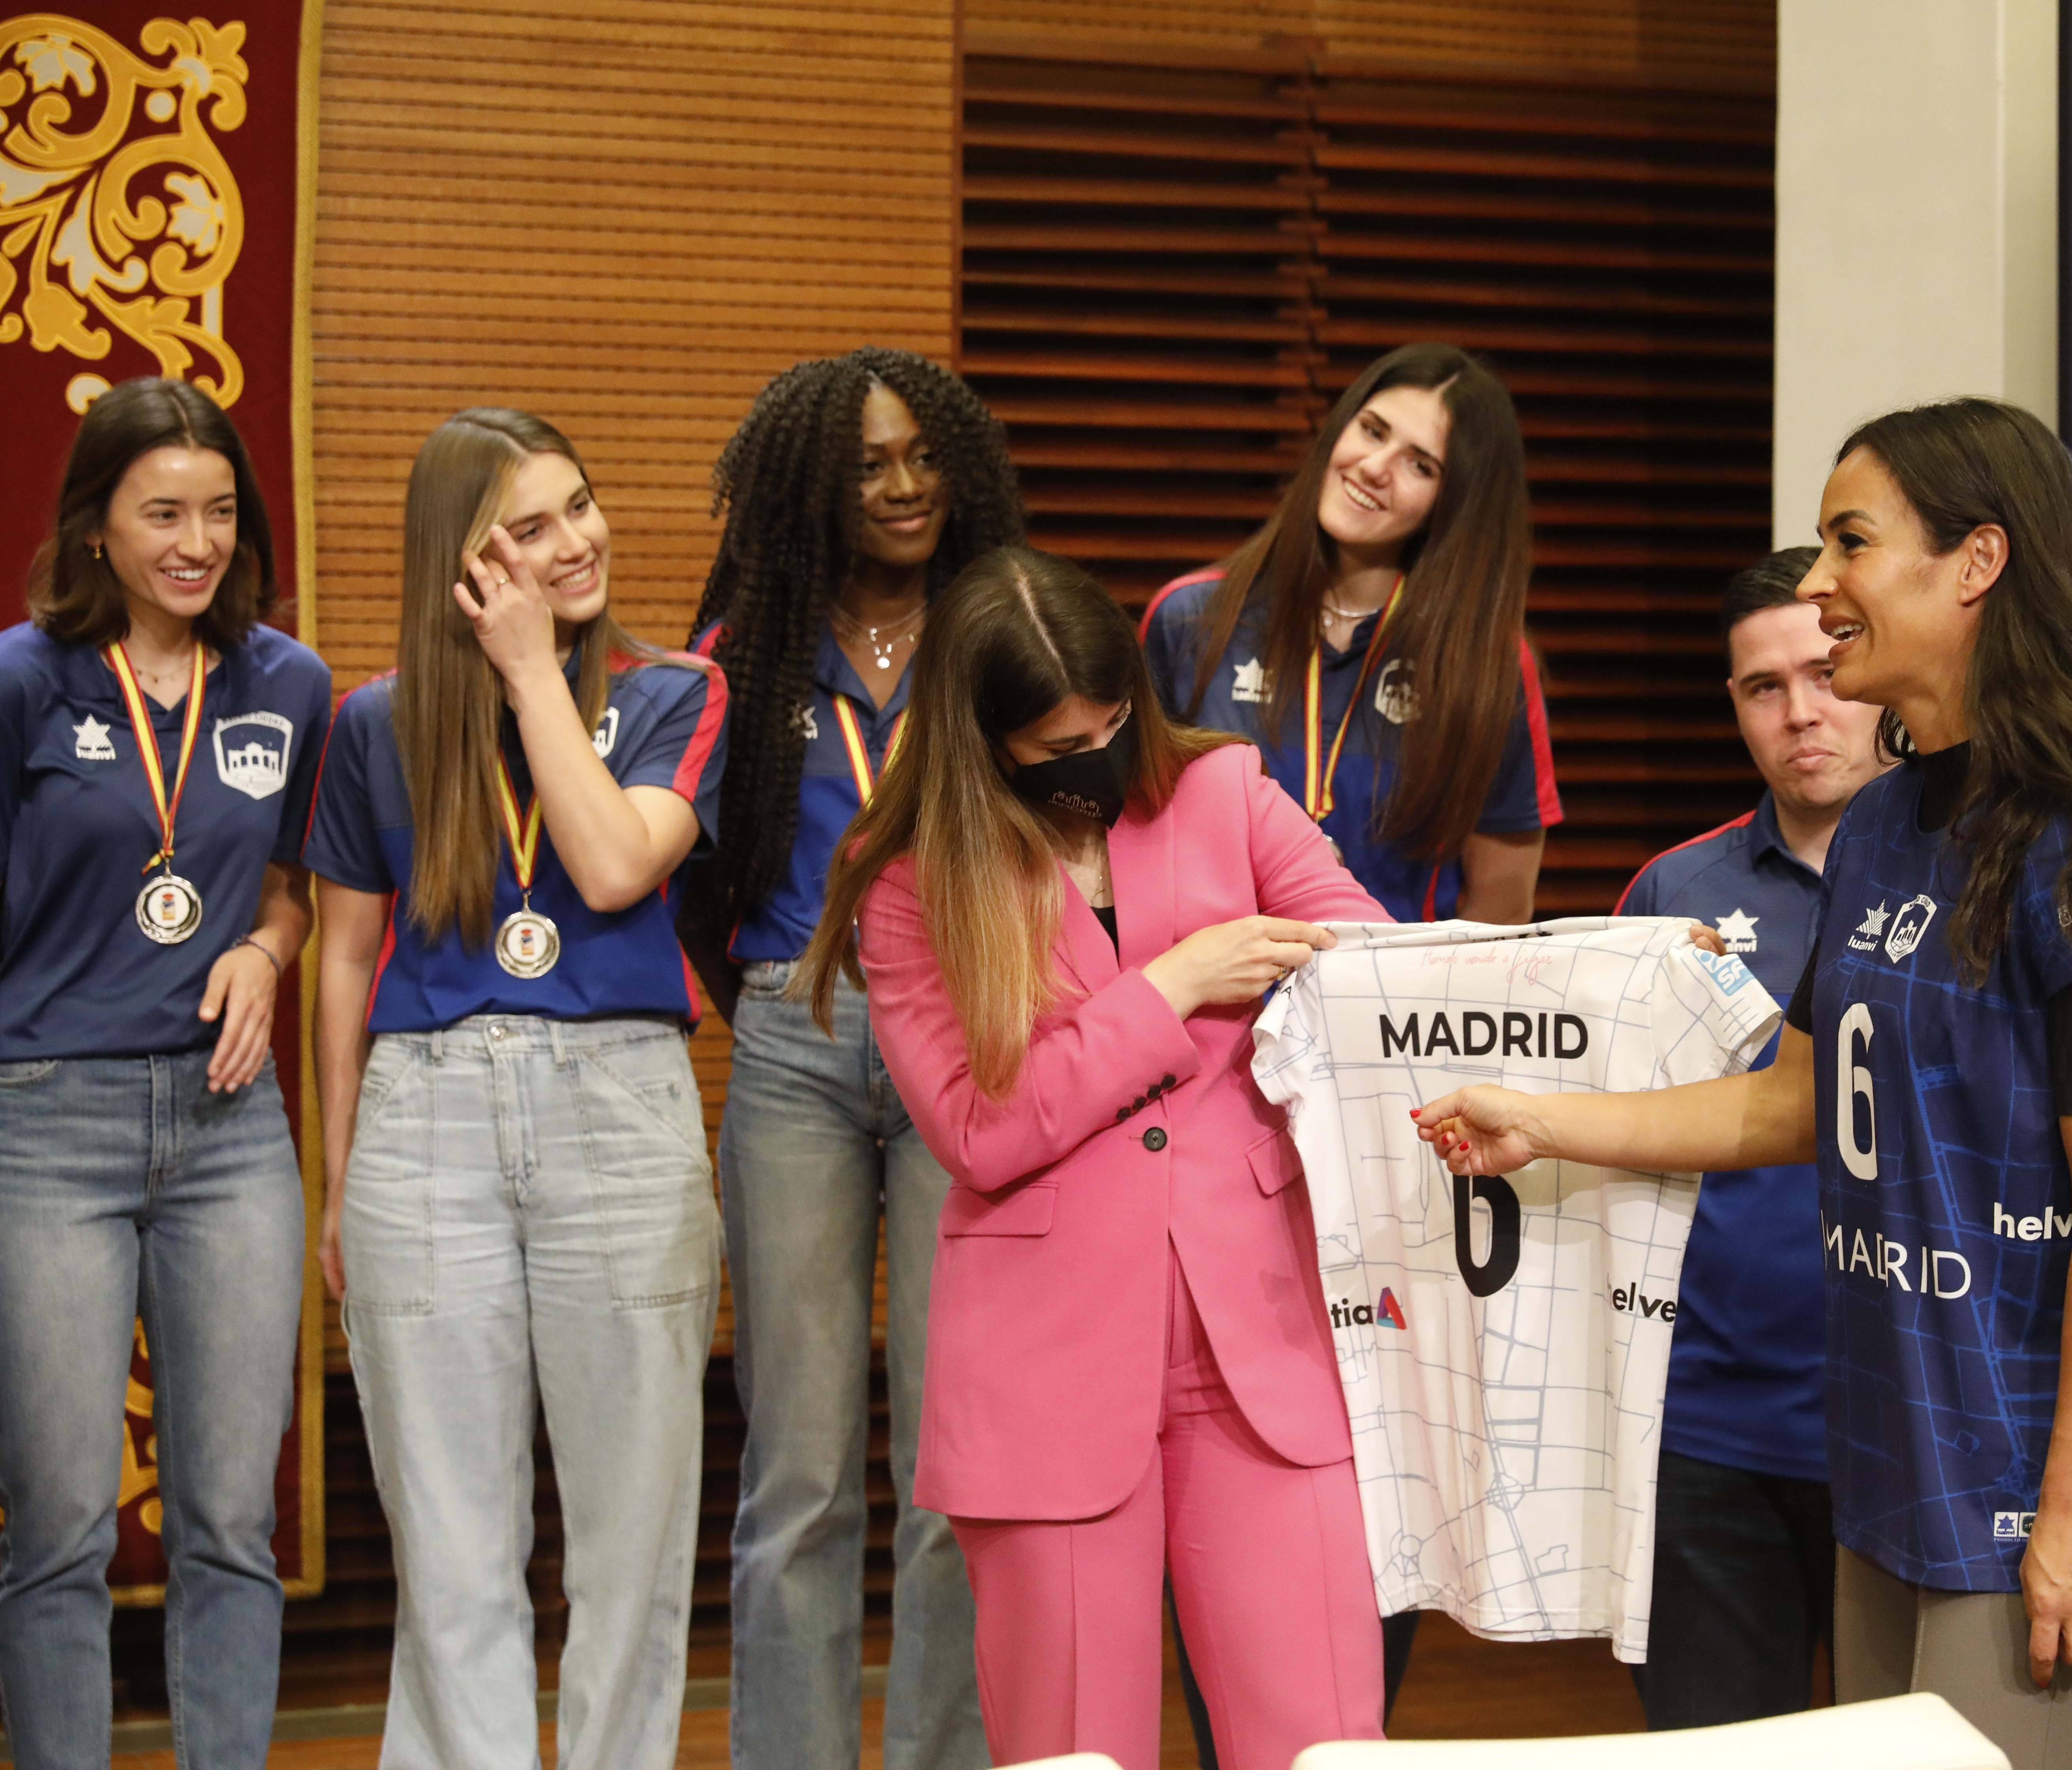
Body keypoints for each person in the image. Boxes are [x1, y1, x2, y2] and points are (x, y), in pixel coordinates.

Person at [1416, 399, 2072, 1770]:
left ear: (1978, 563)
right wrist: (1543, 1121)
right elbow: (1795, 1100)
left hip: (2024, 1471)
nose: (1823, 584)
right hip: (1887, 1445)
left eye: (1853, 542)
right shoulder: (1887, 821)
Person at [798, 547, 1388, 1770]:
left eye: (1115, 723)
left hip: (1262, 1349)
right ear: (984, 741)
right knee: (1075, 1753)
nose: (1099, 757)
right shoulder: (908, 883)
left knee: (1326, 1740)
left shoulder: (1226, 790)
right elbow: (980, 1128)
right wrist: (1175, 986)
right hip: (1047, 1376)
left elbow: (1374, 968)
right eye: (1061, 744)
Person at [307, 409, 728, 1769]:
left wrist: (536, 673)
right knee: (449, 1550)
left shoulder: (673, 692)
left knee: (632, 1544)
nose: (577, 542)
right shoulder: (374, 722)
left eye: (580, 506)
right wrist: (338, 1176)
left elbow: (612, 866)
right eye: (529, 530)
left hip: (620, 1106)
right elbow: (343, 956)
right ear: (465, 561)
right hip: (422, 1115)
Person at [680, 348, 1022, 1770]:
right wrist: (777, 996)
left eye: (923, 456)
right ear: (810, 487)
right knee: (799, 1469)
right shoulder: (744, 647)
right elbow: (692, 875)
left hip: (975, 1043)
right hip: (795, 1044)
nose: (903, 486)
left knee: (957, 1468)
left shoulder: (1002, 626)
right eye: (868, 464)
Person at [0, 377, 330, 1770]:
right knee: (62, 1525)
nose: (196, 543)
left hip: (229, 1129)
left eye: (218, 512)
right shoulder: (23, 680)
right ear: (97, 527)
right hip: (44, 1126)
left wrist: (264, 948)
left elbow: (296, 890)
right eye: (162, 514)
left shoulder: (288, 683)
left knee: (230, 1521)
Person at [1613, 544, 1891, 1728]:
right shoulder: (1672, 897)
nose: (1801, 713)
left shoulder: (1970, 871)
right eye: (1763, 689)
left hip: (1913, 1425)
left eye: (1824, 675)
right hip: (1710, 1432)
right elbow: (1622, 1146)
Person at [1141, 341, 1559, 926]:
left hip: (1403, 984)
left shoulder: (1491, 664)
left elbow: (1501, 906)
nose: (1374, 467)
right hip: (1222, 981)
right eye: (1372, 430)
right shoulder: (1189, 620)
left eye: (1420, 465)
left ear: (1455, 505)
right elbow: (1134, 848)